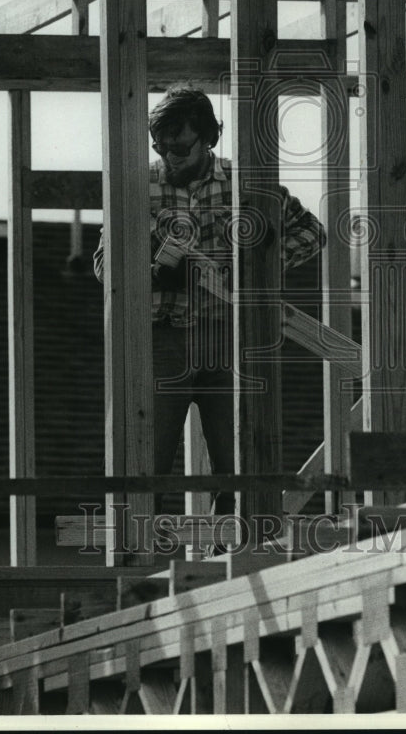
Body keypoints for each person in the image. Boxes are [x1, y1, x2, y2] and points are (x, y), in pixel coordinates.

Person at [93, 86, 326, 511]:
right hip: (162, 340)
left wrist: (253, 271)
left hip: (226, 338)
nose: (170, 157)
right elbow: (105, 265)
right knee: (148, 462)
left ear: (209, 138)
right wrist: (155, 275)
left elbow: (312, 232)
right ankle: (144, 561)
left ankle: (233, 555)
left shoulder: (246, 184)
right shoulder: (136, 186)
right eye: (161, 147)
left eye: (180, 147)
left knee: (239, 462)